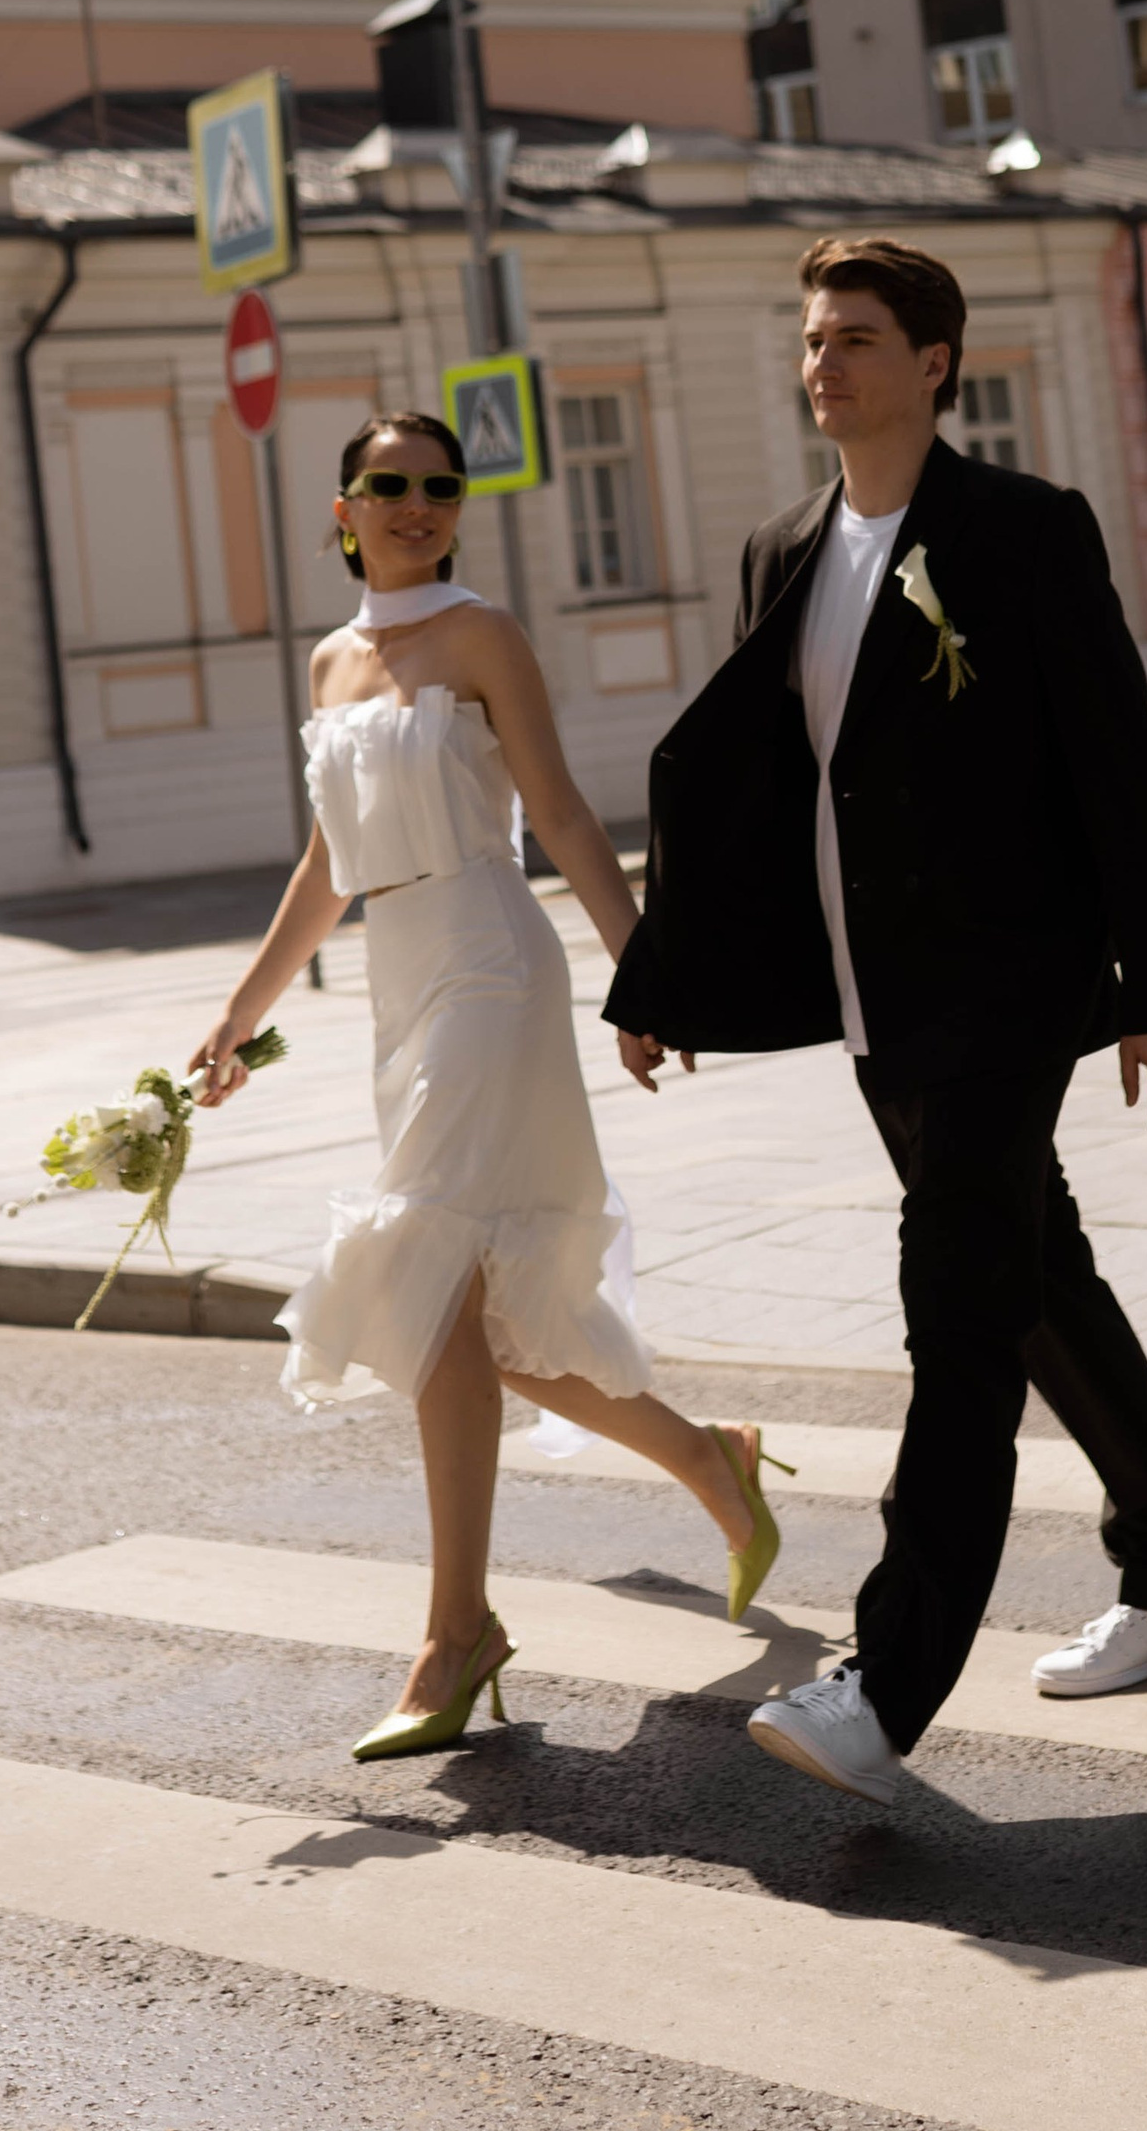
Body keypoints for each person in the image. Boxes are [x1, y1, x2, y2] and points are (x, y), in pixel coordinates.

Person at [607, 237, 1147, 1810]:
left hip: (1005, 990)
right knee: (1035, 1280)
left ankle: (886, 1688)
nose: (825, 361)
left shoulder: (1023, 532)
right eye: (814, 337)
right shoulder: (785, 549)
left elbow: (1119, 764)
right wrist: (665, 980)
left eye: (859, 337)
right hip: (870, 997)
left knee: (956, 1317)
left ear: (935, 362)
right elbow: (761, 795)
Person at [188, 411, 783, 1763]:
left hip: (493, 966)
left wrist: (646, 975)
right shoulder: (335, 661)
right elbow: (328, 864)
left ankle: (455, 1634)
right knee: (492, 1335)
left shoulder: (482, 636)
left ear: (459, 506)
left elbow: (564, 812)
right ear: (343, 508)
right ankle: (711, 1460)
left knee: (432, 1272)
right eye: (387, 486)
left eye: (438, 487)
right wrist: (238, 1015)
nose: (414, 505)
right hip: (399, 985)